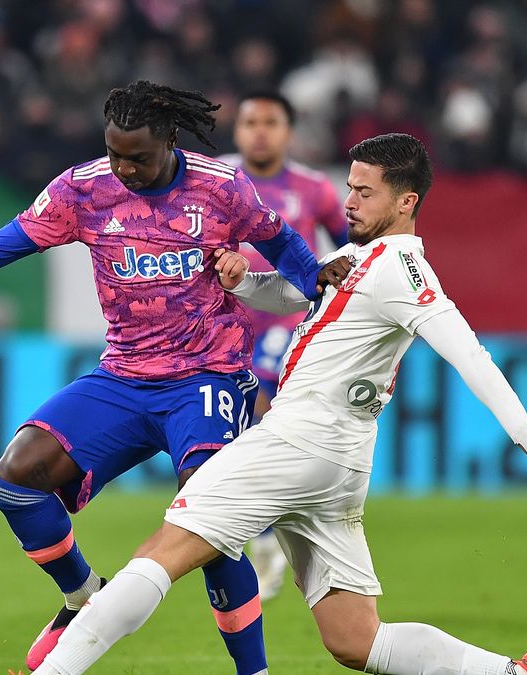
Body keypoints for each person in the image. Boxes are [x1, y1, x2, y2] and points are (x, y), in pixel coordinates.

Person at [34, 133, 527, 675]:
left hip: (299, 439)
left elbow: (469, 354)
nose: (348, 202)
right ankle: (515, 673)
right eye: (349, 188)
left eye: (365, 192)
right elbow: (296, 293)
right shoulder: (358, 257)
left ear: (406, 201)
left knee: (166, 549)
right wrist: (244, 281)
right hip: (337, 463)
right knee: (355, 638)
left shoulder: (402, 271)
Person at [0, 81, 349, 675]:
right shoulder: (82, 189)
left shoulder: (222, 188)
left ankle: (255, 672)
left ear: (169, 139)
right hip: (123, 376)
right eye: (115, 153)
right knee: (17, 478)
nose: (125, 169)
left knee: (211, 517)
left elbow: (291, 250)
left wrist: (332, 293)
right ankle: (81, 594)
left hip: (208, 377)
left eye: (137, 157)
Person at [217, 91, 347, 601]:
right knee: (233, 433)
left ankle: (273, 534)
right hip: (221, 325)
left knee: (262, 410)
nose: (260, 131)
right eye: (251, 121)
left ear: (288, 131)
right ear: (238, 129)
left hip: (287, 323)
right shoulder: (216, 179)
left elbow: (350, 244)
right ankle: (269, 533)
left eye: (271, 122)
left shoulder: (315, 188)